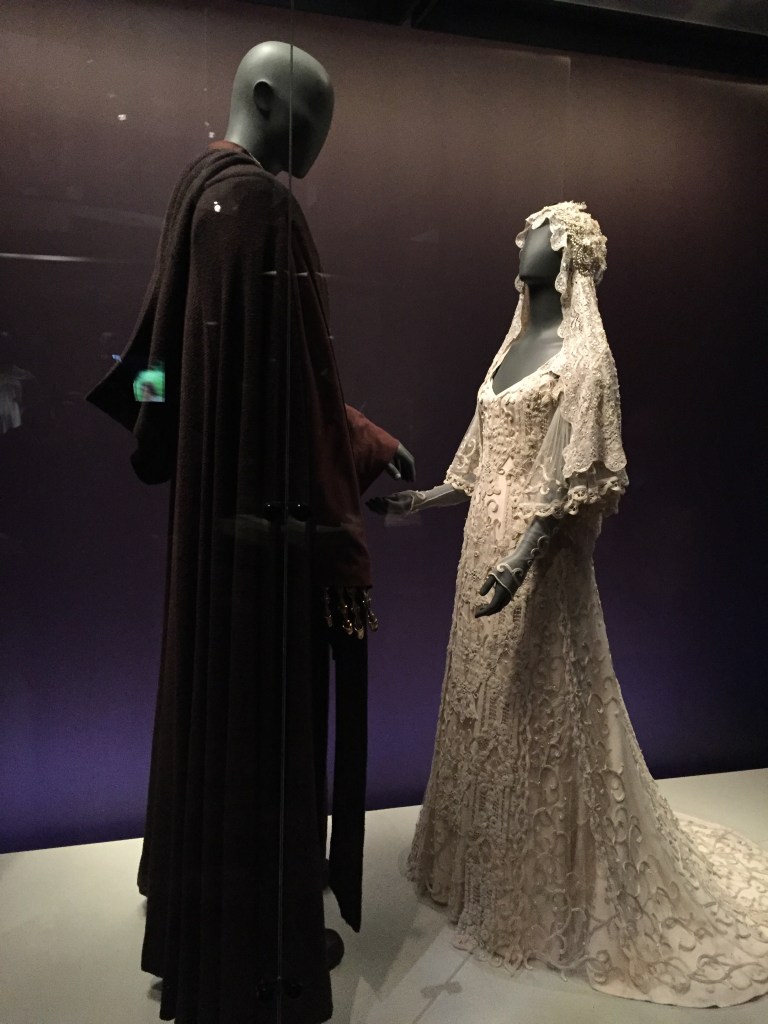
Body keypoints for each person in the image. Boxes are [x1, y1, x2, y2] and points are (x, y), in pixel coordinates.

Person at [370, 202, 768, 1007]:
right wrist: (426, 500)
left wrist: (522, 561)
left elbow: (582, 476)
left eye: (539, 232)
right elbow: (481, 458)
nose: (523, 240)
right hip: (481, 547)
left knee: (539, 707)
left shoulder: (585, 357)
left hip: (537, 562)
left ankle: (544, 885)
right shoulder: (513, 345)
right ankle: (478, 865)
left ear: (568, 250)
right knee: (484, 705)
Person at [88, 41, 412, 1024]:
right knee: (264, 740)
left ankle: (202, 933)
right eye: (317, 115)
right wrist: (366, 454)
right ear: (268, 99)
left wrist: (170, 430)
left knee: (212, 720)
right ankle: (258, 955)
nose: (322, 139)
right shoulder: (263, 206)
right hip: (266, 540)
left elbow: (152, 356)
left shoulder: (193, 197)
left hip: (215, 519)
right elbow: (303, 389)